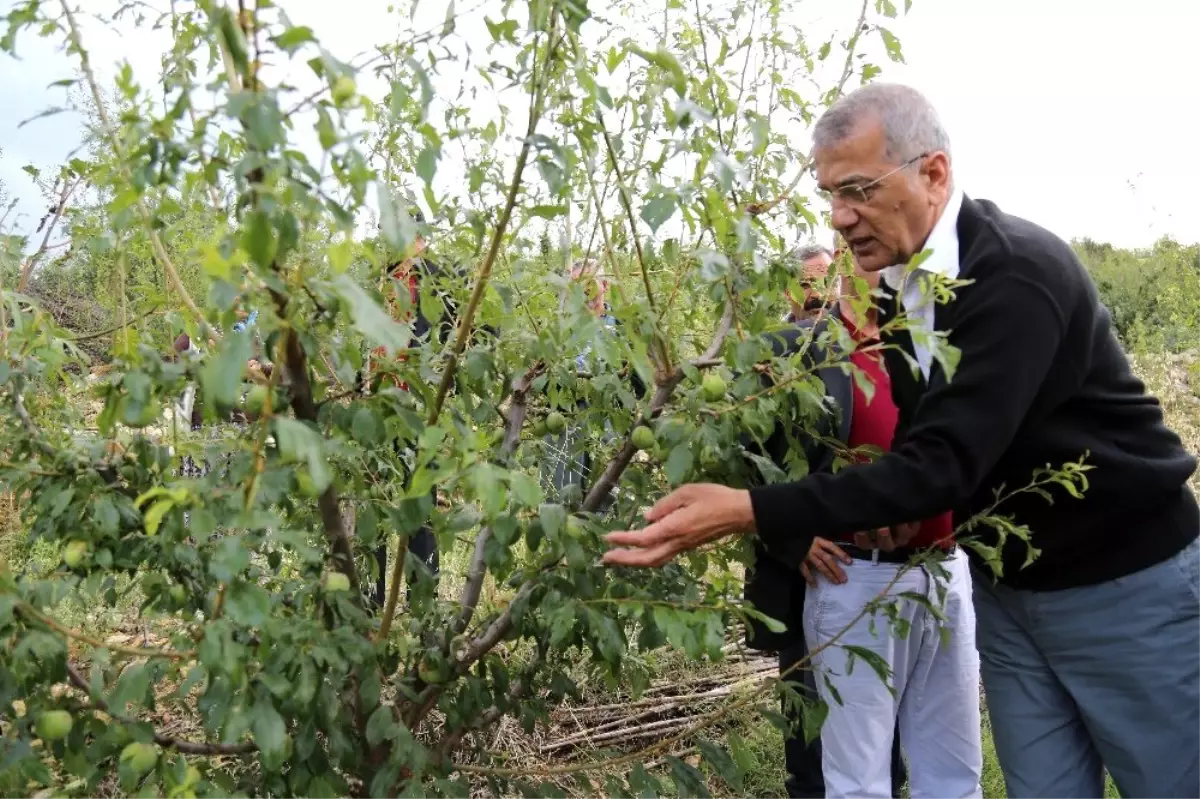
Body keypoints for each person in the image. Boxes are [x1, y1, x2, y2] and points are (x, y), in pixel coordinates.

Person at [603, 82, 1200, 799]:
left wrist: (749, 509)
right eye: (829, 193)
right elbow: (933, 436)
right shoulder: (897, 290)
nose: (840, 216)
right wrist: (907, 509)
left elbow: (942, 463)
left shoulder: (1014, 275)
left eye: (857, 189)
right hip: (1010, 591)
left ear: (934, 173)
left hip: (1123, 584)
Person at [744, 249, 912, 799]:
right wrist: (791, 538)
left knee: (886, 737)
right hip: (824, 576)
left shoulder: (904, 345)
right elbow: (747, 458)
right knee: (817, 740)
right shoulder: (783, 356)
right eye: (807, 290)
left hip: (899, 572)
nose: (816, 300)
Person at [782, 243, 836, 323]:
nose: (818, 295)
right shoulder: (773, 335)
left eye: (828, 283)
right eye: (805, 285)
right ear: (787, 293)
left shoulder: (858, 333)